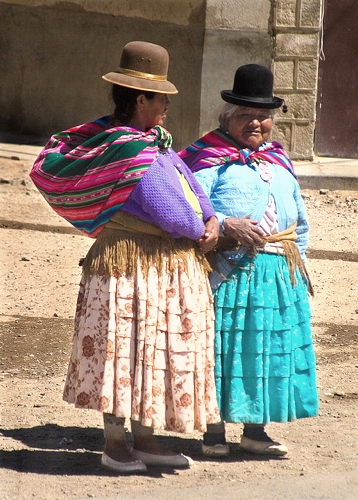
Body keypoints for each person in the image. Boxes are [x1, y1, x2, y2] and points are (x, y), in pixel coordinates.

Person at [30, 41, 220, 473]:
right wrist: (202, 230)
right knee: (123, 349)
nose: (169, 103)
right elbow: (167, 208)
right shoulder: (126, 151)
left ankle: (146, 438)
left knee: (149, 352)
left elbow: (188, 182)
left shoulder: (155, 143)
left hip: (161, 266)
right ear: (140, 99)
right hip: (130, 267)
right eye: (161, 97)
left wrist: (211, 216)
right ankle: (116, 444)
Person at [178, 64, 319, 458]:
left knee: (265, 349)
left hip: (277, 273)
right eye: (245, 116)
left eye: (263, 117)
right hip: (229, 272)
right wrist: (225, 223)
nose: (256, 123)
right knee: (222, 348)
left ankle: (256, 431)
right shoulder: (206, 159)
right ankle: (213, 431)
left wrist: (298, 264)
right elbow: (187, 207)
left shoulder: (279, 163)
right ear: (227, 118)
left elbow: (300, 221)